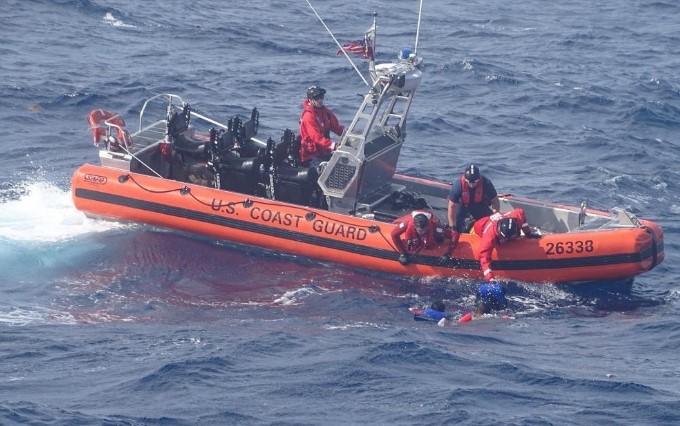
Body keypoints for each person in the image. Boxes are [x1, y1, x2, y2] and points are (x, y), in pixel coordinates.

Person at [473, 207, 541, 282]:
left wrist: (528, 233)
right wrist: (490, 278)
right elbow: (484, 257)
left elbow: (521, 211)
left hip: (496, 219)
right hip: (479, 226)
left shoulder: (517, 217)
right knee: (472, 228)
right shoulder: (489, 237)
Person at [391, 210, 460, 266]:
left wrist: (448, 254)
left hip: (434, 221)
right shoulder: (407, 224)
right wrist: (402, 253)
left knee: (440, 238)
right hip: (409, 219)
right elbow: (394, 234)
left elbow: (454, 234)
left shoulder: (435, 227)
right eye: (420, 231)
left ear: (428, 225)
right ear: (415, 227)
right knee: (394, 222)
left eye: (425, 229)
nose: (423, 232)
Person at [447, 164, 500, 233]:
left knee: (489, 222)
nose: (472, 185)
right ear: (466, 180)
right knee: (458, 226)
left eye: (474, 182)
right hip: (462, 205)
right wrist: (452, 226)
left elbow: (495, 201)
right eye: (469, 182)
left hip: (479, 205)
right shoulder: (458, 186)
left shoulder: (486, 183)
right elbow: (451, 207)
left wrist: (494, 216)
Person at [299, 86, 345, 165]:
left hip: (324, 151)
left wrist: (347, 134)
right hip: (311, 156)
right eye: (317, 98)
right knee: (325, 170)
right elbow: (316, 137)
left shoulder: (326, 112)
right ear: (310, 100)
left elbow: (336, 127)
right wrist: (333, 145)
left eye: (321, 97)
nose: (320, 100)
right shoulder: (308, 116)